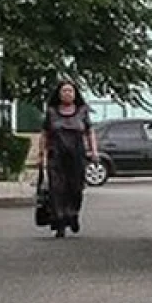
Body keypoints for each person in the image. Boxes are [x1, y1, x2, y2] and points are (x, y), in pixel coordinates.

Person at [36, 80, 98, 237]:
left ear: (75, 94)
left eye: (70, 91)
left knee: (75, 188)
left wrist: (94, 151)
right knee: (57, 189)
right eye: (64, 91)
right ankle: (60, 222)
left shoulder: (82, 111)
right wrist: (41, 154)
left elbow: (90, 132)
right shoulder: (51, 112)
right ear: (59, 93)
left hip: (76, 155)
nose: (67, 94)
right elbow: (45, 134)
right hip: (56, 155)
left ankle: (73, 214)